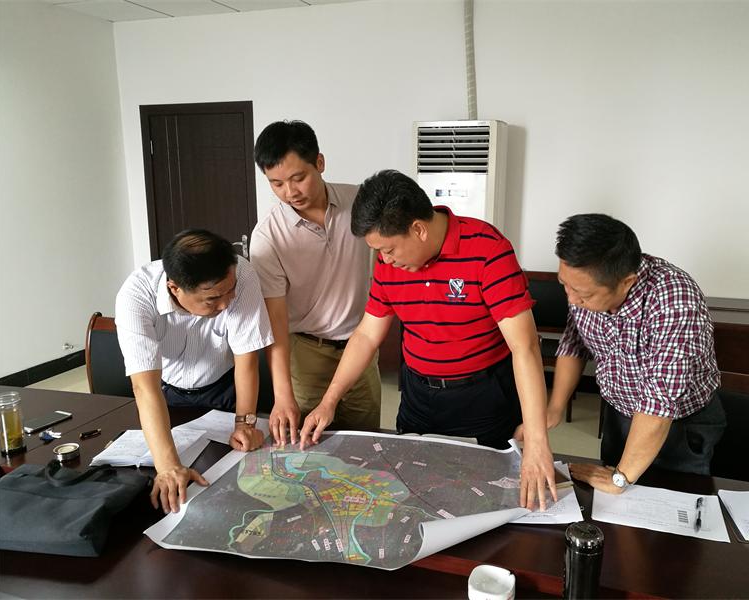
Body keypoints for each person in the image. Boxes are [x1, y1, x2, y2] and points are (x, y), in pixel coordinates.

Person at [298, 169, 557, 510]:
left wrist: (537, 440)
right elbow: (366, 334)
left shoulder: (487, 249)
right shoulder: (389, 265)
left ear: (418, 229)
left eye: (388, 249)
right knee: (411, 492)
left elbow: (524, 347)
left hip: (482, 395)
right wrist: (329, 401)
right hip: (419, 396)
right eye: (378, 252)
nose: (384, 260)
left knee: (489, 495)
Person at [548, 213, 725, 493]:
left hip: (679, 424)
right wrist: (555, 408)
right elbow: (575, 343)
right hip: (620, 413)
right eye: (564, 284)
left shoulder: (674, 300)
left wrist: (621, 478)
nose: (571, 298)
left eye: (584, 294)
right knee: (612, 504)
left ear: (627, 282)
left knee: (672, 502)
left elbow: (659, 403)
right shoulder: (581, 287)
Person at [116, 229, 273, 513]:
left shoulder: (241, 274)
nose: (226, 303)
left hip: (224, 390)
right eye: (212, 299)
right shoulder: (136, 296)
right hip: (167, 398)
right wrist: (168, 467)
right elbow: (144, 387)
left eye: (230, 291)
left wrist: (245, 424)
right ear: (174, 288)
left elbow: (247, 360)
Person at [249, 120, 380, 446]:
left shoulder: (359, 204)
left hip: (361, 348)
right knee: (310, 448)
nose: (290, 192)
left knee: (367, 445)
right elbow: (276, 321)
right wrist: (283, 396)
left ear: (319, 163)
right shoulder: (268, 236)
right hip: (308, 353)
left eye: (298, 178)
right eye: (276, 183)